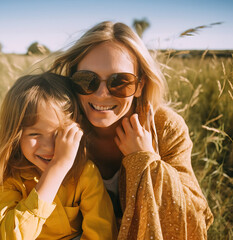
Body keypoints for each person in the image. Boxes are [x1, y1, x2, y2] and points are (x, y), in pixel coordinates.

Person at [47, 21, 214, 239]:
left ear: (140, 85)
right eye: (87, 80)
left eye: (120, 81)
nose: (101, 94)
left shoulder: (166, 128)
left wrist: (146, 160)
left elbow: (194, 218)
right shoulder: (58, 124)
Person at [0, 72, 118, 239]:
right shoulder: (9, 178)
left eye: (59, 134)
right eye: (34, 134)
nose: (49, 146)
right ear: (15, 135)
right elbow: (10, 236)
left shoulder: (84, 172)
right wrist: (57, 169)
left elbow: (101, 233)